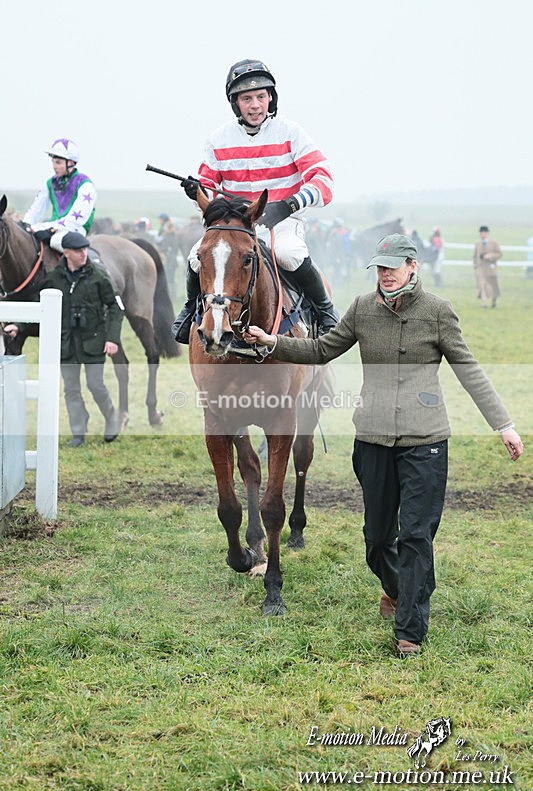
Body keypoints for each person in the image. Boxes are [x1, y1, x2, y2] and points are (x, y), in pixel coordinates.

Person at [243, 233, 524, 658]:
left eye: (392, 267)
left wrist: (503, 424)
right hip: (372, 438)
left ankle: (409, 630)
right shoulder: (361, 308)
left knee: (415, 535)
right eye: (380, 267)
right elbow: (321, 350)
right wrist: (273, 342)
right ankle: (399, 588)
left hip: (425, 440)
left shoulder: (438, 311)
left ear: (412, 266)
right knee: (376, 540)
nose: (385, 274)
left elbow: (468, 368)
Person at [172, 58, 339, 344]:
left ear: (271, 98)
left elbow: (323, 180)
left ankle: (326, 313)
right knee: (195, 256)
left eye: (261, 96)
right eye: (246, 98)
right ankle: (190, 310)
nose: (255, 105)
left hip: (282, 222)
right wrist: (196, 191)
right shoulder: (218, 139)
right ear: (235, 103)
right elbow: (208, 188)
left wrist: (287, 205)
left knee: (288, 253)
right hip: (235, 225)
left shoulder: (291, 133)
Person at [5, 232, 124, 447]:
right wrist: (19, 326)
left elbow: (116, 307)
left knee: (96, 385)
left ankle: (111, 418)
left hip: (93, 342)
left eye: (85, 249)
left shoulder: (99, 275)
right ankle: (78, 431)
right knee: (71, 389)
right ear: (66, 253)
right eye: (78, 251)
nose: (83, 254)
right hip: (66, 344)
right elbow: (39, 306)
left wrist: (112, 339)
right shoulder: (54, 279)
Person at [23, 138, 96, 253]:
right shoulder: (49, 183)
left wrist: (51, 230)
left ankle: (85, 263)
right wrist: (24, 226)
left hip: (75, 229)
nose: (54, 166)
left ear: (71, 163)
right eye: (53, 162)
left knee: (55, 240)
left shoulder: (85, 184)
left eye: (58, 162)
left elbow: (76, 220)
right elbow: (35, 210)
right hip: (54, 226)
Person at [473, 225, 502, 308]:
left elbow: (499, 253)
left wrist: (490, 256)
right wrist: (475, 265)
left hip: (490, 267)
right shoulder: (478, 243)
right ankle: (483, 302)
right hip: (481, 267)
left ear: (487, 233)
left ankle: (494, 300)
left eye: (484, 232)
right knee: (481, 284)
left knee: (493, 284)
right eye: (481, 232)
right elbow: (475, 256)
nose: (482, 234)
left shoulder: (494, 242)